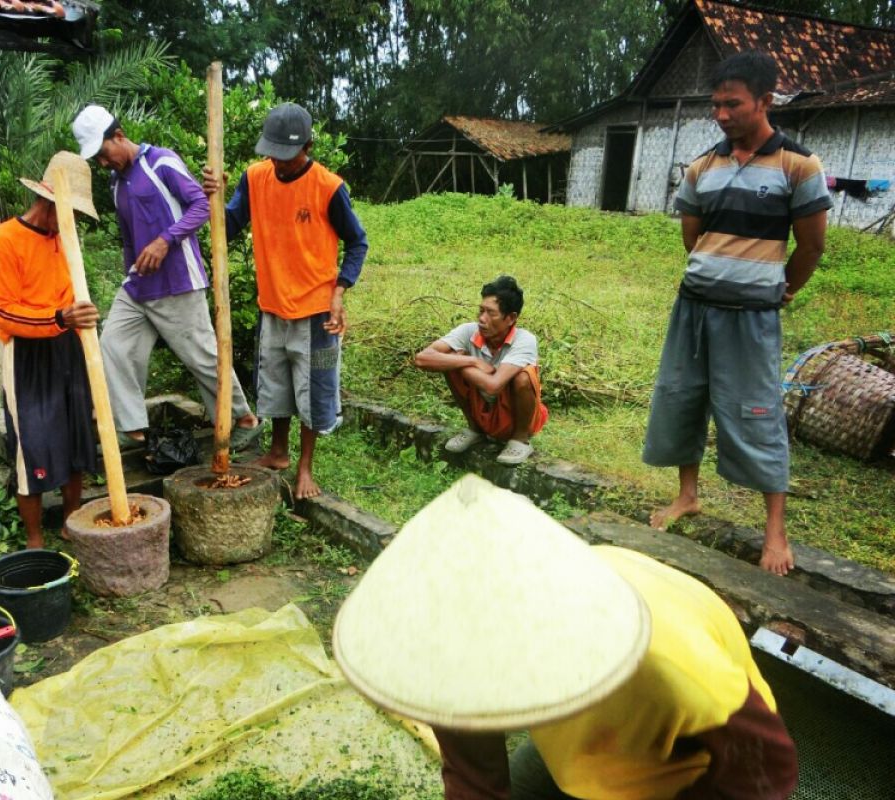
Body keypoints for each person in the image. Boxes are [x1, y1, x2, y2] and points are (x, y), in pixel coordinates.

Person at [333, 475, 798, 800]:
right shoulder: (445, 647)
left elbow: (765, 775)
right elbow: (476, 778)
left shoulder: (669, 663)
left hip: (684, 775)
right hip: (582, 753)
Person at [642, 51, 831, 577]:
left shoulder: (799, 166)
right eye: (716, 105)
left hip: (751, 318)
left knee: (757, 410)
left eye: (733, 104)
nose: (722, 115)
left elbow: (811, 246)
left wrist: (777, 290)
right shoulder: (703, 166)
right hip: (694, 310)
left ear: (765, 101)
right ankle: (687, 495)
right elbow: (693, 238)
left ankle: (776, 531)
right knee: (683, 395)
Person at [200, 103, 368, 499]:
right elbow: (231, 221)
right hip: (273, 306)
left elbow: (357, 241)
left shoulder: (328, 187)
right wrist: (211, 197)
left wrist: (340, 291)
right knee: (274, 383)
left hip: (319, 316)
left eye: (287, 155)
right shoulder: (256, 178)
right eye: (272, 152)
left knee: (317, 385)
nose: (279, 161)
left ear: (307, 146)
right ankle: (278, 452)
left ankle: (305, 466)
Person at [71, 105, 261, 450]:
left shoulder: (161, 161)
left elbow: (202, 207)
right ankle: (133, 430)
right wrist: (131, 270)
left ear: (119, 135)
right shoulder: (116, 184)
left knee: (201, 356)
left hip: (178, 282)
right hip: (138, 285)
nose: (102, 163)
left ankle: (244, 419)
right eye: (96, 158)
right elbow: (129, 238)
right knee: (113, 346)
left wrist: (164, 240)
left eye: (103, 153)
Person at [0, 152, 101, 549]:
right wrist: (58, 318)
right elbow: (4, 312)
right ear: (48, 204)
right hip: (28, 356)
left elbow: (73, 295)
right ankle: (35, 539)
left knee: (76, 436)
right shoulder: (3, 240)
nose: (73, 224)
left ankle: (71, 521)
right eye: (69, 214)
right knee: (32, 442)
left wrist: (78, 318)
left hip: (68, 348)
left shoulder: (64, 242)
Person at [413, 276, 548, 464]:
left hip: (512, 414)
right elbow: (421, 359)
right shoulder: (468, 331)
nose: (482, 319)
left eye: (490, 313)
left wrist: (459, 362)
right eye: (481, 310)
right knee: (450, 363)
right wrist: (470, 361)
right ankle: (475, 429)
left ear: (511, 318)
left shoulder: (524, 340)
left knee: (524, 377)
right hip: (482, 409)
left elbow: (494, 386)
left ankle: (520, 440)